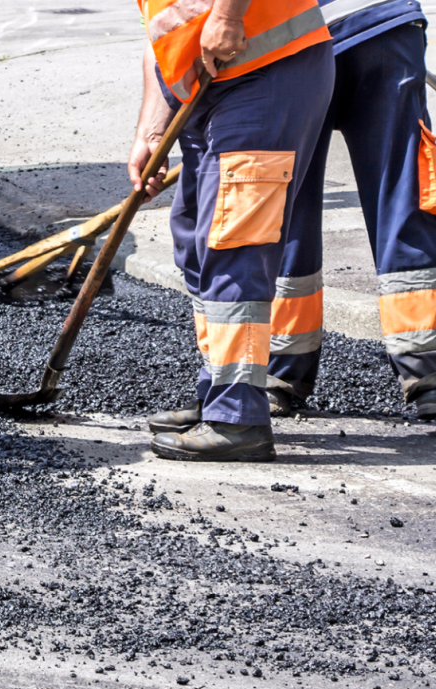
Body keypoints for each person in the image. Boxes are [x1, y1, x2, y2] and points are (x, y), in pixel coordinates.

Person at [132, 0, 335, 462]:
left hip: (266, 73)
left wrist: (226, 15)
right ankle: (219, 390)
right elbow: (160, 35)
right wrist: (150, 132)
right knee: (195, 238)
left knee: (234, 243)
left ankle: (237, 416)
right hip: (208, 92)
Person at [262, 0, 436, 421]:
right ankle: (434, 375)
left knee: (287, 203)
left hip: (286, 38)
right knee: (401, 191)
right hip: (379, 22)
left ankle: (276, 372)